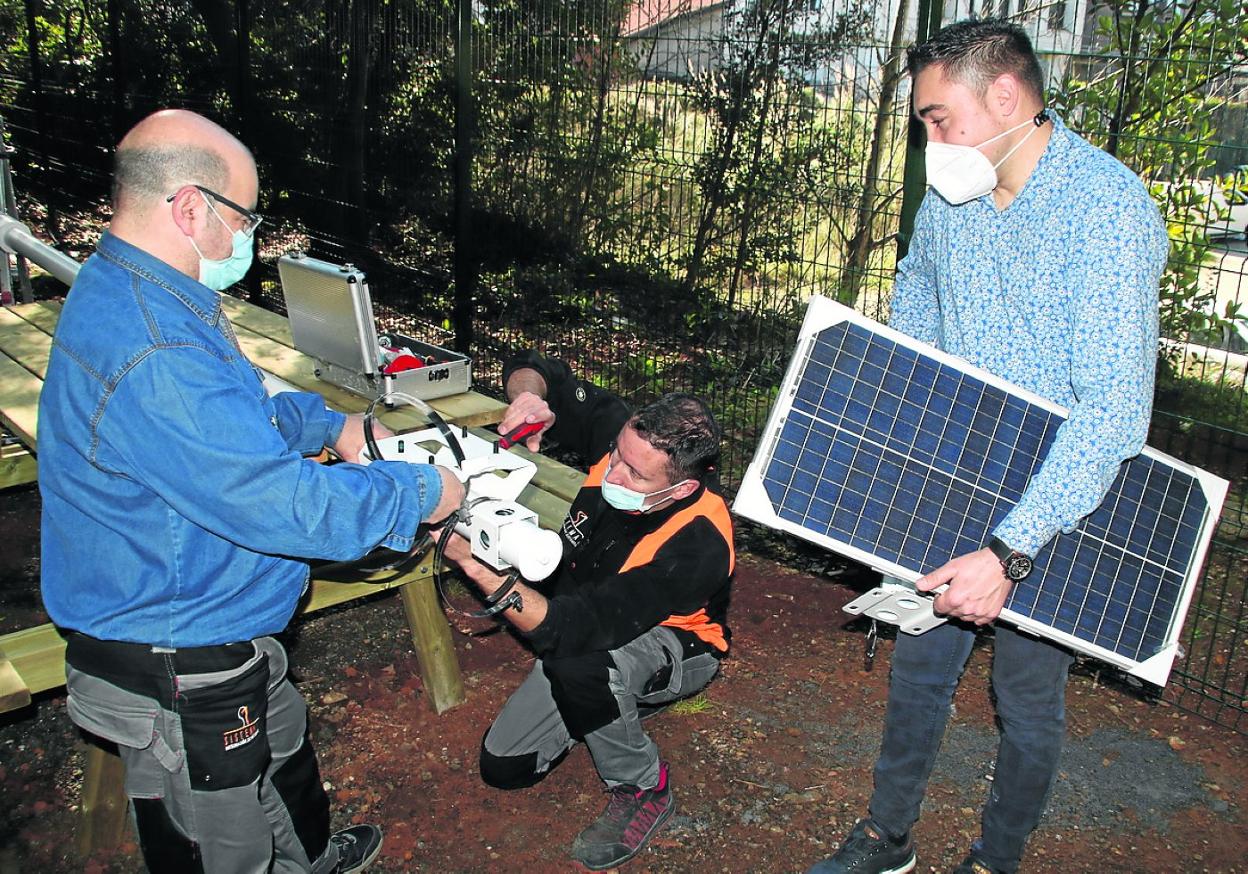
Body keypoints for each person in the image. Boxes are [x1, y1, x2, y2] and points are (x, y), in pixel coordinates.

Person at [38, 109, 466, 874]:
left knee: (281, 748)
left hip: (219, 613)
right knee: (217, 838)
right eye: (246, 216)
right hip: (176, 643)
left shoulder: (146, 291)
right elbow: (287, 506)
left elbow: (227, 419)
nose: (252, 239)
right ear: (191, 206)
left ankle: (312, 858)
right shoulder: (153, 344)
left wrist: (326, 425)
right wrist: (419, 490)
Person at [807, 19, 1167, 874]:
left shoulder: (1109, 213)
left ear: (1005, 97)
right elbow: (919, 305)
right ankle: (886, 837)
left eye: (940, 118)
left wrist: (1011, 548)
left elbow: (1115, 412)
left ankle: (994, 859)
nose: (930, 140)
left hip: (1058, 498)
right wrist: (904, 431)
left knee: (1027, 694)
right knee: (920, 668)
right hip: (955, 475)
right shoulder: (950, 200)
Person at [439, 351, 735, 870]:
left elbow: (574, 629)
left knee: (577, 661)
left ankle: (643, 786)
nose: (612, 472)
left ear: (684, 486)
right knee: (507, 767)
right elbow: (539, 368)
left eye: (635, 475)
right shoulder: (625, 442)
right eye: (616, 455)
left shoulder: (699, 545)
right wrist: (527, 396)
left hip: (676, 645)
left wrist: (475, 566)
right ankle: (609, 705)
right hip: (586, 623)